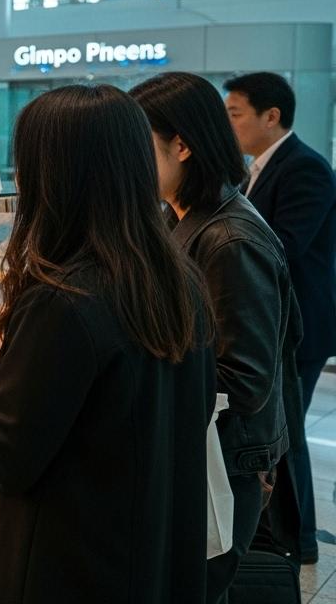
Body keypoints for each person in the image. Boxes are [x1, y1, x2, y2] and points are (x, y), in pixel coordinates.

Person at [0, 84, 216, 603]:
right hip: (139, 553)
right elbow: (136, 400)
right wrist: (24, 365)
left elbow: (2, 458)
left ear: (54, 174)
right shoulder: (175, 277)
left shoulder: (63, 297)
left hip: (60, 567)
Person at [133, 72, 299, 601]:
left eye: (138, 145)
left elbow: (244, 378)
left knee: (198, 588)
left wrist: (130, 369)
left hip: (222, 461)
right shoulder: (178, 215)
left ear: (181, 145)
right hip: (195, 448)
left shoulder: (230, 240)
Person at [224, 71, 335, 564]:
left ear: (272, 116)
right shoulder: (257, 167)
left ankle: (300, 541)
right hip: (272, 321)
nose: (230, 124)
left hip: (299, 327)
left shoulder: (305, 168)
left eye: (235, 114)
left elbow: (283, 248)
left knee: (288, 430)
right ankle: (284, 537)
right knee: (280, 430)